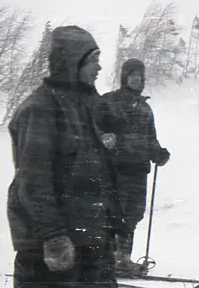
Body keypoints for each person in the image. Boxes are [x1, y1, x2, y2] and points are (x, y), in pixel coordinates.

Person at [7, 25, 123, 287]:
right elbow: (33, 182)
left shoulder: (84, 106)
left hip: (90, 239)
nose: (99, 68)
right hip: (54, 247)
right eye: (93, 60)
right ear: (72, 62)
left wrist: (109, 224)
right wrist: (54, 236)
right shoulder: (40, 109)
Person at [95, 58, 171, 276]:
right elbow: (92, 127)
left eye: (141, 77)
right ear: (124, 78)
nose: (139, 81)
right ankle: (105, 259)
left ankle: (123, 259)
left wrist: (158, 153)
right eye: (134, 76)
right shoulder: (108, 102)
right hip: (115, 169)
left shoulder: (146, 109)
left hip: (139, 169)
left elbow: (150, 138)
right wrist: (104, 137)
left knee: (133, 214)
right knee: (112, 214)